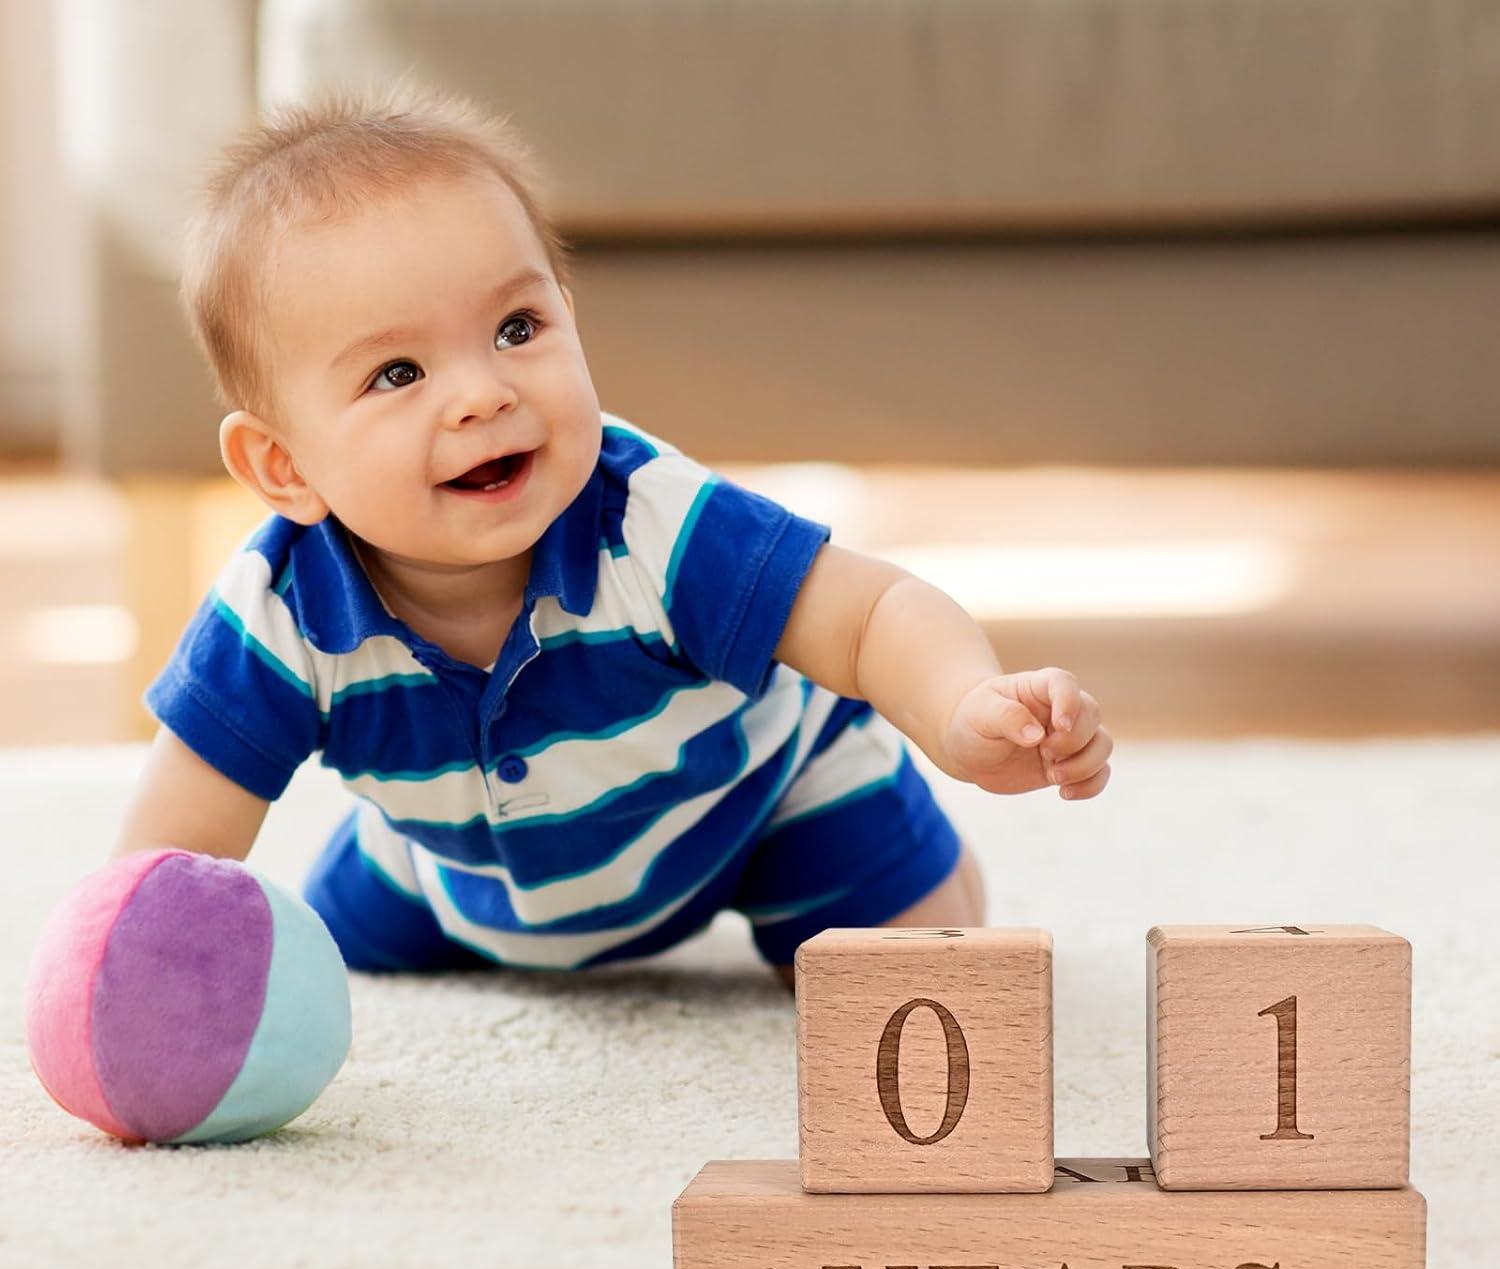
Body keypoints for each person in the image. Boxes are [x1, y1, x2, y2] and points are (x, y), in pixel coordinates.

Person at [113, 79, 1114, 993]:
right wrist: (133, 973)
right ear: (284, 467)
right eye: (398, 375)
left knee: (922, 975)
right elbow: (173, 847)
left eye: (516, 329)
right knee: (322, 966)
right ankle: (430, 890)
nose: (484, 394)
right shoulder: (278, 614)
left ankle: (901, 871)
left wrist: (959, 706)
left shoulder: (652, 523)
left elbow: (869, 615)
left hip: (757, 807)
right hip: (452, 870)